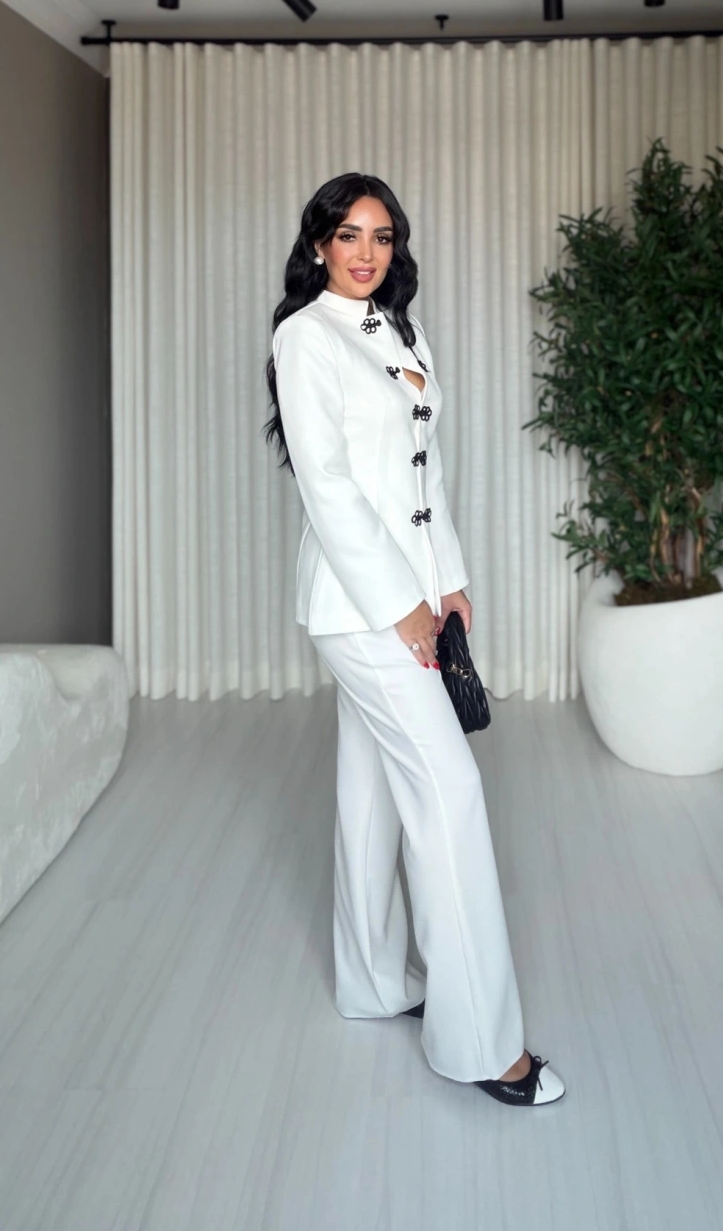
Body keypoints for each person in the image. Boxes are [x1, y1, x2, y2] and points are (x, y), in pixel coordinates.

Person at [264, 172, 566, 1107]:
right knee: (450, 793)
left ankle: (372, 981)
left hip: (413, 597)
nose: (366, 253)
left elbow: (425, 473)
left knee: (371, 791)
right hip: (361, 609)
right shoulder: (305, 335)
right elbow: (327, 485)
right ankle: (481, 1046)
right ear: (319, 244)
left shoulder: (402, 328)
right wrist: (404, 604)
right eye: (348, 235)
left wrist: (451, 580)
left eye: (382, 236)